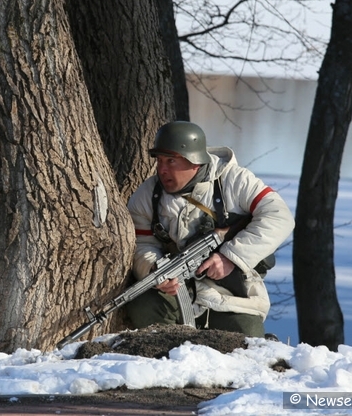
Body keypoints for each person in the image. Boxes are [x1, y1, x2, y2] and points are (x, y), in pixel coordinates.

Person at [125, 121, 295, 337]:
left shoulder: (235, 181)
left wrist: (230, 258)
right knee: (143, 307)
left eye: (171, 161)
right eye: (159, 160)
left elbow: (279, 216)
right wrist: (154, 269)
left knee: (248, 343)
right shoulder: (147, 195)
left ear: (195, 162)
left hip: (230, 297)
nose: (162, 169)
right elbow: (143, 244)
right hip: (176, 293)